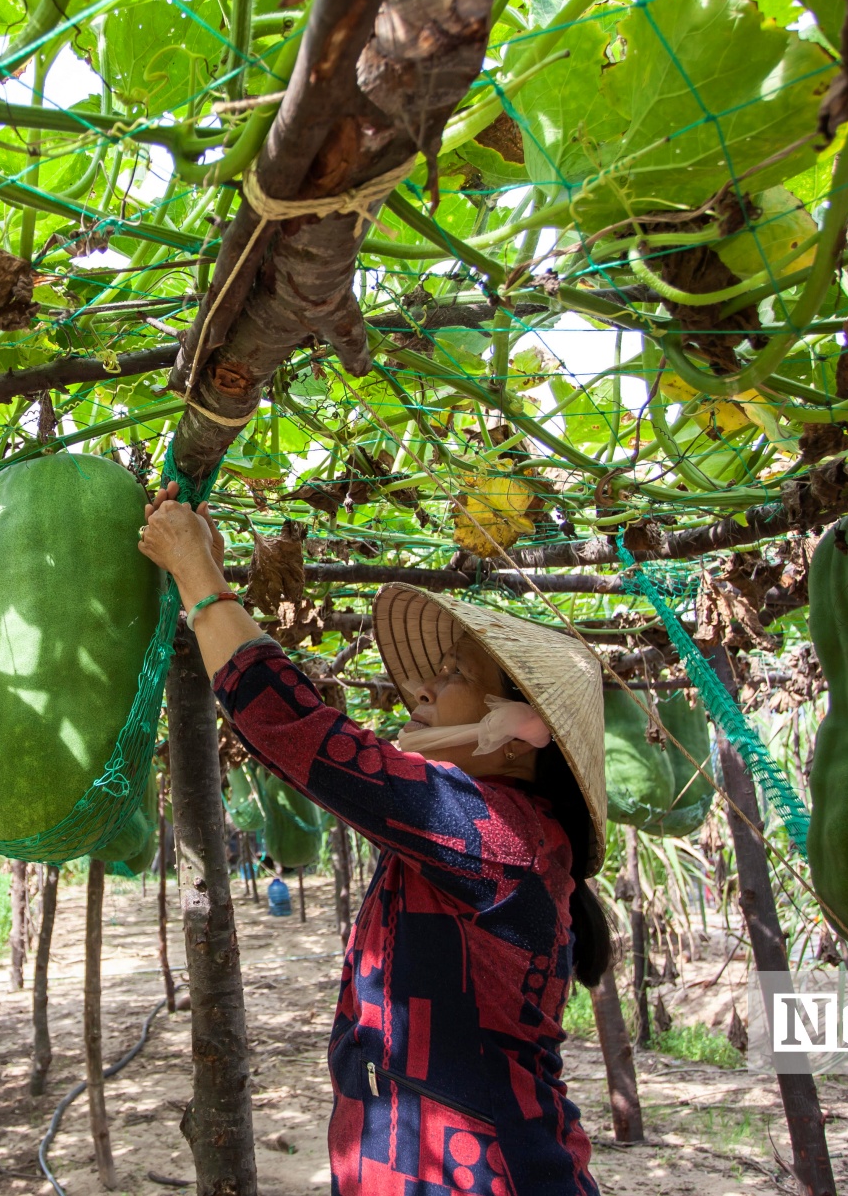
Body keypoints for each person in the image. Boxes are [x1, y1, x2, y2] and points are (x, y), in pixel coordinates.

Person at [139, 482, 610, 1196]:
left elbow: (302, 736)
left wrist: (201, 582)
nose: (419, 693)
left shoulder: (500, 835)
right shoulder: (498, 834)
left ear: (520, 734)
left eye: (450, 676)